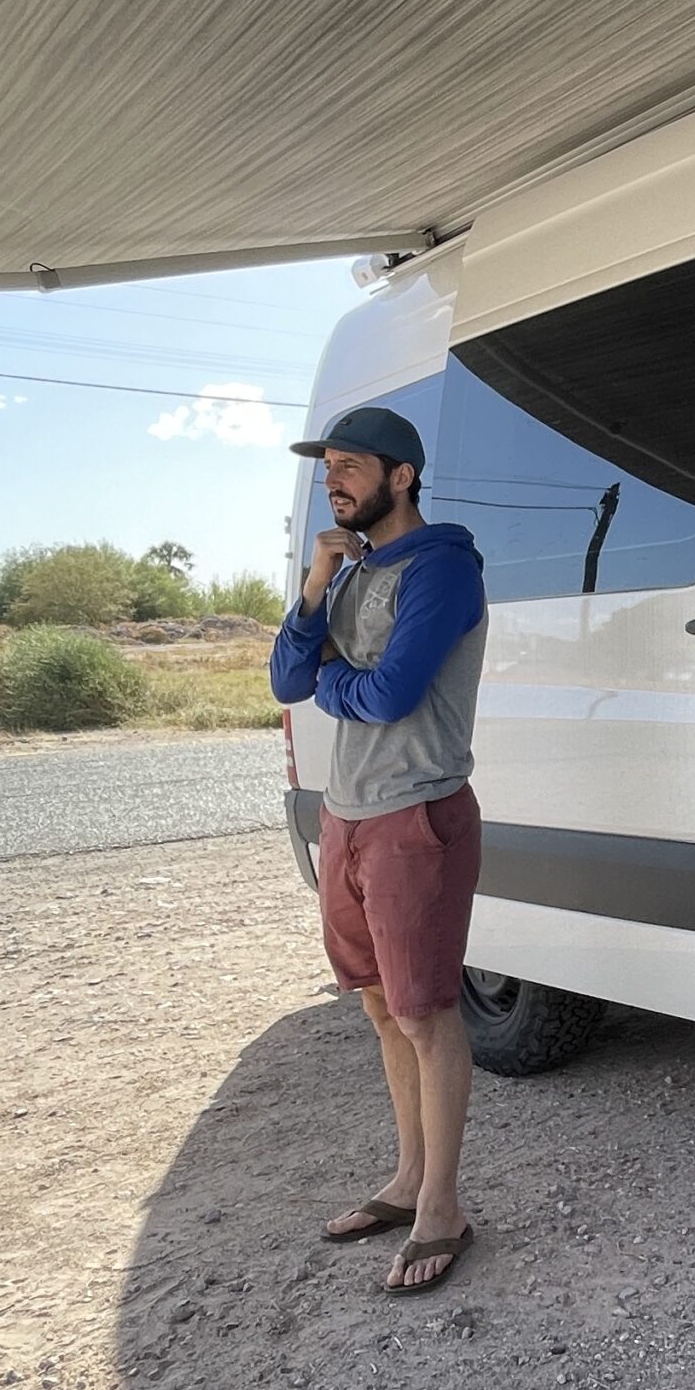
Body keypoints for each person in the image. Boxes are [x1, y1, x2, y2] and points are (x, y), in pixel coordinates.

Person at [268, 405, 488, 1294]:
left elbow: (393, 694)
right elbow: (287, 679)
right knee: (378, 1005)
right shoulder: (351, 572)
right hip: (346, 816)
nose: (333, 480)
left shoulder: (443, 568)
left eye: (350, 465)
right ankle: (406, 1181)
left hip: (415, 816)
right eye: (327, 467)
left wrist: (332, 677)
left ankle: (443, 1208)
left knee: (427, 1015)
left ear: (401, 476)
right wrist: (315, 589)